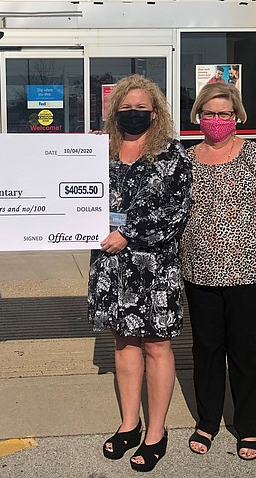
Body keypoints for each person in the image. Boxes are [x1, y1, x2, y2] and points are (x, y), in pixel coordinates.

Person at [179, 82, 256, 461]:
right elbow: (177, 216)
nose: (216, 120)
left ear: (237, 117)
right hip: (200, 274)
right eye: (208, 113)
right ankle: (208, 420)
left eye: (223, 114)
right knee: (207, 351)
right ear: (197, 116)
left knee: (246, 354)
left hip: (249, 274)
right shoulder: (186, 159)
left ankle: (248, 425)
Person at [88, 75, 192, 473]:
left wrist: (127, 234)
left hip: (153, 267)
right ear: (115, 111)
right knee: (124, 343)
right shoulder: (100, 151)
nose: (133, 115)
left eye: (141, 109)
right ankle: (130, 425)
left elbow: (176, 211)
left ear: (156, 112)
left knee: (157, 346)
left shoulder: (172, 154)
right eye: (126, 108)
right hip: (110, 267)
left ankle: (156, 432)